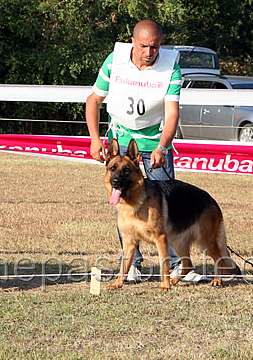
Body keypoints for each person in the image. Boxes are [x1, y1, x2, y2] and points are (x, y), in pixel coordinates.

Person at [86, 19, 204, 283]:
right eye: (144, 46)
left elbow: (172, 113)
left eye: (155, 46)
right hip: (120, 143)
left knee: (167, 207)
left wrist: (163, 146)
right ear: (133, 41)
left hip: (154, 143)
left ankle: (177, 265)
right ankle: (132, 266)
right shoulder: (113, 61)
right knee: (123, 203)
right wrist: (94, 139)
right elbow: (93, 100)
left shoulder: (171, 66)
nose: (149, 52)